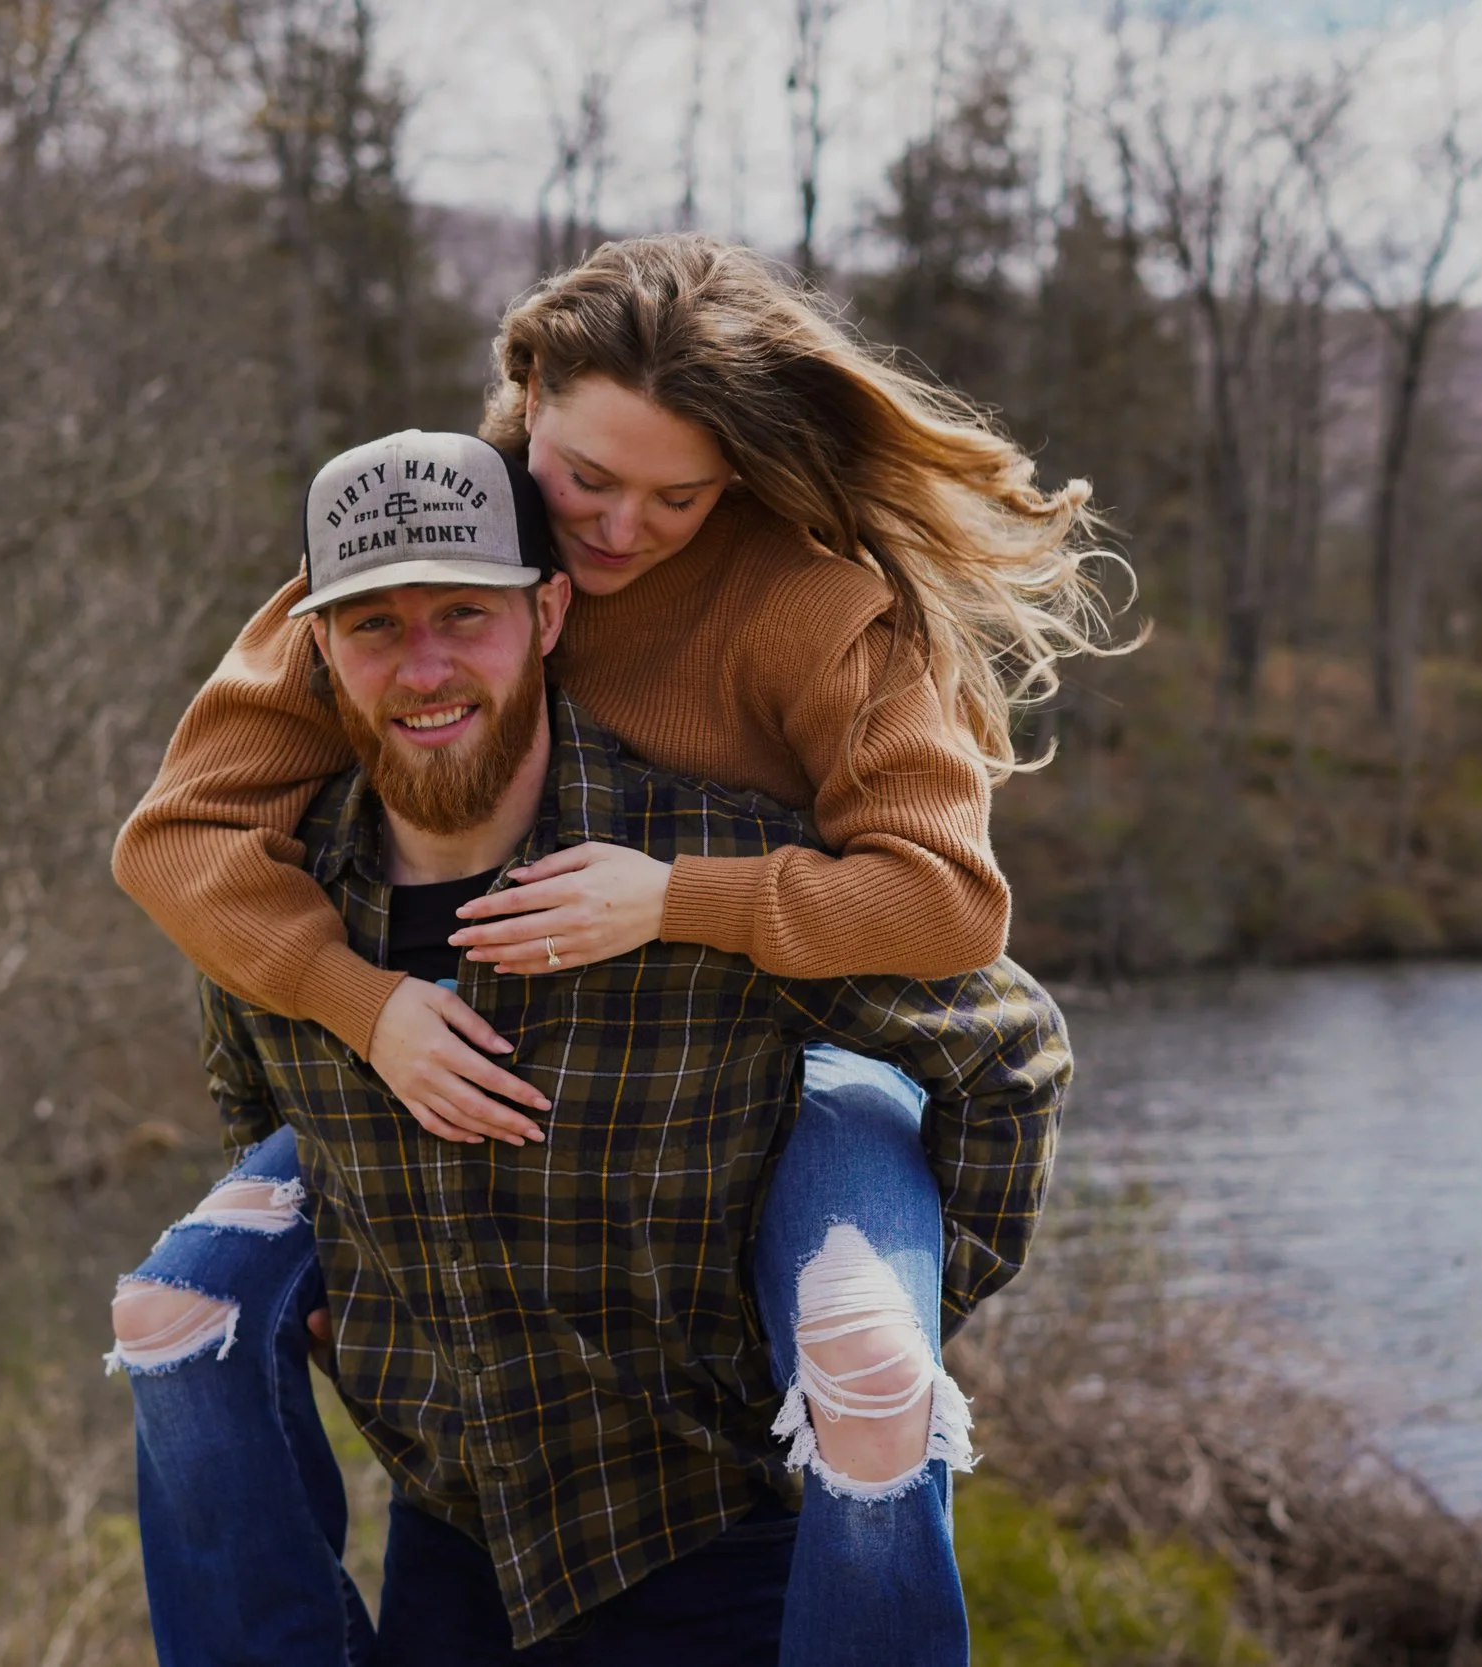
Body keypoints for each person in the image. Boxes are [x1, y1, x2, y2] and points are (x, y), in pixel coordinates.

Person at [111, 237, 1118, 1663]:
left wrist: (676, 898)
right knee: (177, 1303)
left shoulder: (814, 603)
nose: (622, 527)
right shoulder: (432, 543)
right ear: (527, 403)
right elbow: (182, 844)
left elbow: (951, 913)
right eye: (587, 479)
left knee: (865, 1365)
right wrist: (365, 1005)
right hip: (476, 1033)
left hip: (798, 1037)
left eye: (678, 495)